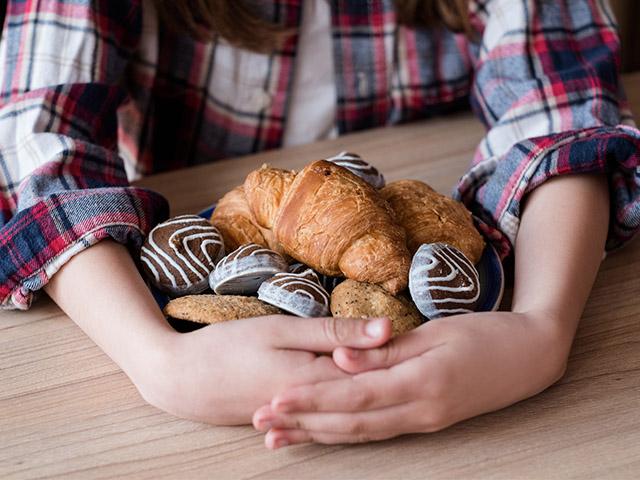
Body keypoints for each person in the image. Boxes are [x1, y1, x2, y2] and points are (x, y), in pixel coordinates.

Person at [0, 0, 638, 450]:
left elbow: (562, 112)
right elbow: (39, 141)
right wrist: (157, 358)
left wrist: (542, 327)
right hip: (203, 323)